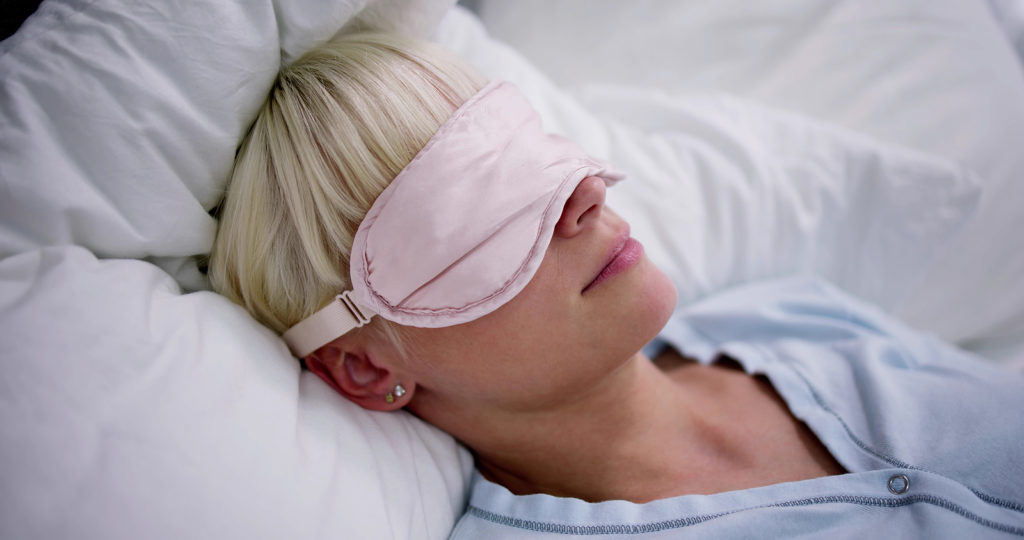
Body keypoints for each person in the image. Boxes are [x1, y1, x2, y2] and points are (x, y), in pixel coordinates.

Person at [210, 32, 1024, 538]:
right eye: (483, 217)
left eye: (541, 155)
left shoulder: (790, 315)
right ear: (365, 366)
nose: (585, 195)